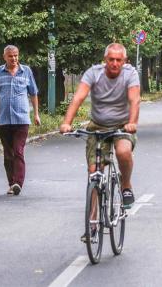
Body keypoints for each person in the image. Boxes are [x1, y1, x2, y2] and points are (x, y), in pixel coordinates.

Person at [59, 43, 140, 208]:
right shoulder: (93, 73)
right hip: (97, 126)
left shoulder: (130, 73)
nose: (115, 63)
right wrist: (67, 123)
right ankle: (93, 223)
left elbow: (134, 99)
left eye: (119, 60)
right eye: (111, 59)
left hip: (122, 126)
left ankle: (126, 186)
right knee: (94, 172)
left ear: (124, 60)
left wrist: (132, 123)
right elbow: (78, 98)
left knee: (123, 152)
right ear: (105, 59)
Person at [0, 45, 40, 196]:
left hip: (22, 118)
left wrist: (36, 114)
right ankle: (11, 183)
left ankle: (18, 182)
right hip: (3, 120)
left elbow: (34, 93)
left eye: (16, 55)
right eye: (11, 56)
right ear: (5, 57)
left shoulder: (26, 71)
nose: (14, 59)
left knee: (18, 151)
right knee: (8, 153)